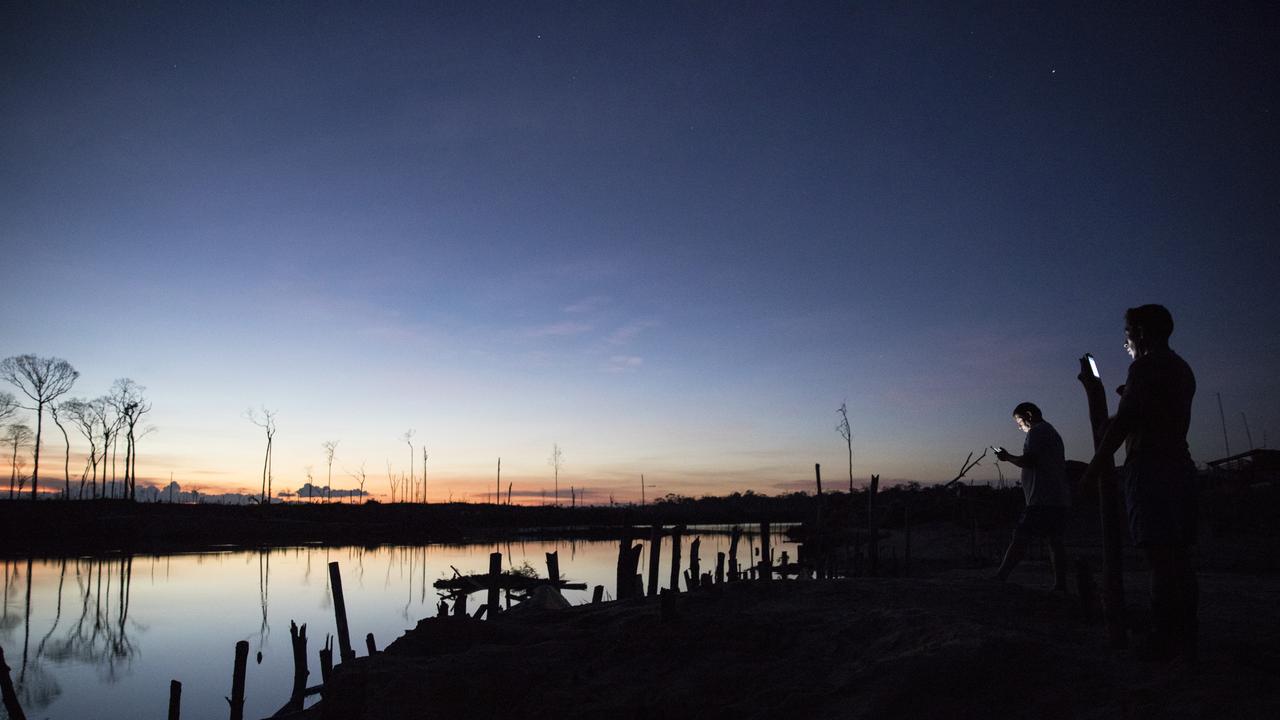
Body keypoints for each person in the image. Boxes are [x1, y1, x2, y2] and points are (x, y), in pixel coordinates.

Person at [1083, 304, 1198, 661]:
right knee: (1178, 556)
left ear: (1142, 332)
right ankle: (1184, 630)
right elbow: (1149, 411)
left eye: (1127, 332)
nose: (1125, 341)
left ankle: (1164, 635)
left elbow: (1124, 424)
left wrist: (1094, 468)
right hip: (1179, 465)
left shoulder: (1146, 366)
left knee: (1160, 556)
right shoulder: (1180, 367)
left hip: (1152, 467)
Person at [993, 402, 1070, 590]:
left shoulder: (1037, 432)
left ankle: (1000, 576)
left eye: (1019, 421)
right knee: (1055, 541)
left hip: (1041, 498)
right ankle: (1060, 585)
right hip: (1056, 497)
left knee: (1021, 536)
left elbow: (1029, 461)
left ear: (1028, 415)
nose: (1019, 427)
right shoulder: (1051, 432)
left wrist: (1007, 457)